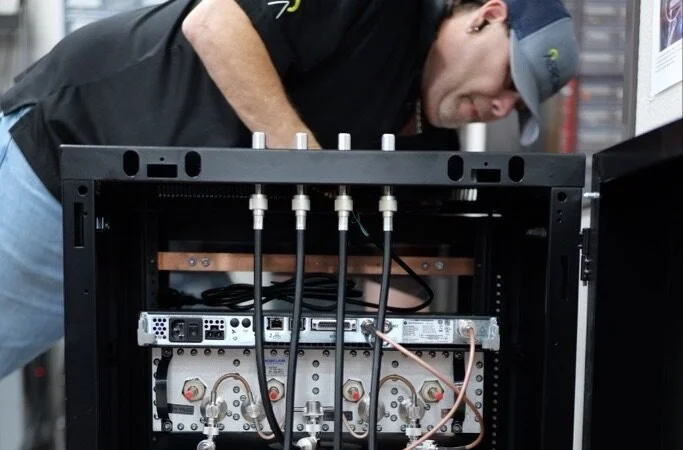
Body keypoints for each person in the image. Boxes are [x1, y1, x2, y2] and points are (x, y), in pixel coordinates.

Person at [0, 0, 578, 380]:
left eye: (518, 107)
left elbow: (396, 291)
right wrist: (312, 164)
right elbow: (215, 23)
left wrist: (385, 395)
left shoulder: (428, 156)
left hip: (158, 240)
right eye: (508, 80)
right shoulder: (381, 9)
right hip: (65, 154)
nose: (500, 105)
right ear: (488, 16)